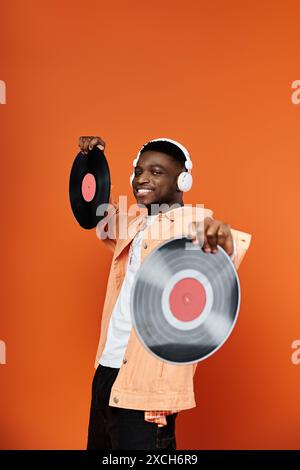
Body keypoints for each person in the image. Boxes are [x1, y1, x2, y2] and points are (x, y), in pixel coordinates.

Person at [81, 136, 251, 450]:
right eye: (139, 171)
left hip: (147, 389)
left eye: (157, 172)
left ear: (182, 180)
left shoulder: (194, 223)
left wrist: (220, 234)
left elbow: (221, 240)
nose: (143, 178)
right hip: (106, 372)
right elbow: (93, 213)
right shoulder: (134, 224)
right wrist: (91, 162)